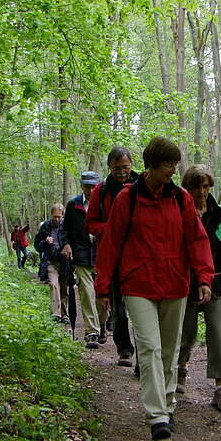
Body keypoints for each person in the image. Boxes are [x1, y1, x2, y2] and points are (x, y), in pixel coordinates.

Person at [96, 137, 213, 441]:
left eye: (175, 166)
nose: (172, 172)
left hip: (176, 282)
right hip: (138, 284)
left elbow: (196, 239)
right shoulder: (127, 199)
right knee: (148, 348)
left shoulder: (181, 198)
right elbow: (111, 244)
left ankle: (169, 403)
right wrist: (103, 285)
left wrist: (203, 277)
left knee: (170, 350)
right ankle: (157, 415)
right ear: (150, 166)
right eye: (167, 167)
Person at [175, 165, 221, 413]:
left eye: (206, 187)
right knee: (186, 333)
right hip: (188, 283)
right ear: (188, 188)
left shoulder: (220, 214)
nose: (202, 192)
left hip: (218, 282)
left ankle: (220, 389)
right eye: (197, 187)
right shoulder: (179, 212)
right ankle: (181, 370)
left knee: (218, 334)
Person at [85, 147, 138, 367]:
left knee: (141, 306)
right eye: (117, 168)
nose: (121, 172)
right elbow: (90, 223)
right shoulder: (102, 190)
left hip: (138, 254)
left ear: (131, 164)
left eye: (125, 167)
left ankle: (144, 355)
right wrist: (112, 229)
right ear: (109, 167)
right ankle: (124, 349)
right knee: (118, 308)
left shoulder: (142, 185)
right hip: (112, 255)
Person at [64, 171, 103, 347]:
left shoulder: (105, 203)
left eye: (93, 186)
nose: (90, 190)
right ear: (82, 186)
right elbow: (65, 230)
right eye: (87, 186)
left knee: (102, 295)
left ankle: (103, 322)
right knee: (87, 293)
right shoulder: (74, 205)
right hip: (80, 256)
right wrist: (66, 244)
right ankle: (92, 332)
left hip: (102, 256)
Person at [35, 205, 68, 322]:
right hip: (50, 261)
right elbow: (37, 245)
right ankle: (56, 313)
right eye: (55, 217)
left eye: (59, 217)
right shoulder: (45, 226)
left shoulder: (67, 225)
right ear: (51, 215)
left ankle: (65, 314)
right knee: (54, 285)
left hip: (64, 262)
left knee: (64, 288)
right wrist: (45, 242)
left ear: (63, 215)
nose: (57, 219)